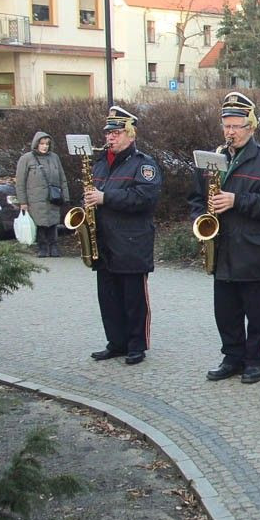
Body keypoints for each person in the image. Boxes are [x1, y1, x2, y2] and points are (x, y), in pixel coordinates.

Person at [189, 92, 260, 385]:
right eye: (226, 126)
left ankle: (257, 359)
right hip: (222, 246)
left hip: (254, 246)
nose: (230, 132)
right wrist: (199, 218)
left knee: (255, 310)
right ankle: (232, 356)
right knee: (225, 309)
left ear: (251, 126)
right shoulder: (213, 160)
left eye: (236, 126)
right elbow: (196, 197)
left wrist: (237, 201)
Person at [86, 107, 162, 366]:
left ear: (131, 135)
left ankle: (136, 345)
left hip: (131, 242)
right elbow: (91, 195)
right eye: (108, 133)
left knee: (133, 298)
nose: (110, 138)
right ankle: (115, 343)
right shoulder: (99, 164)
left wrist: (105, 198)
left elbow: (145, 198)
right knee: (108, 298)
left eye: (116, 133)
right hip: (105, 242)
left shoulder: (144, 165)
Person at [15, 131, 69, 257]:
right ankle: (42, 247)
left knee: (53, 222)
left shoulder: (54, 157)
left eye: (47, 144)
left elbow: (62, 178)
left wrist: (66, 197)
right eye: (42, 144)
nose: (45, 146)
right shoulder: (26, 159)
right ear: (36, 144)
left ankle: (54, 246)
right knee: (40, 223)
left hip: (53, 197)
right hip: (35, 199)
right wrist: (23, 202)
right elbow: (20, 182)